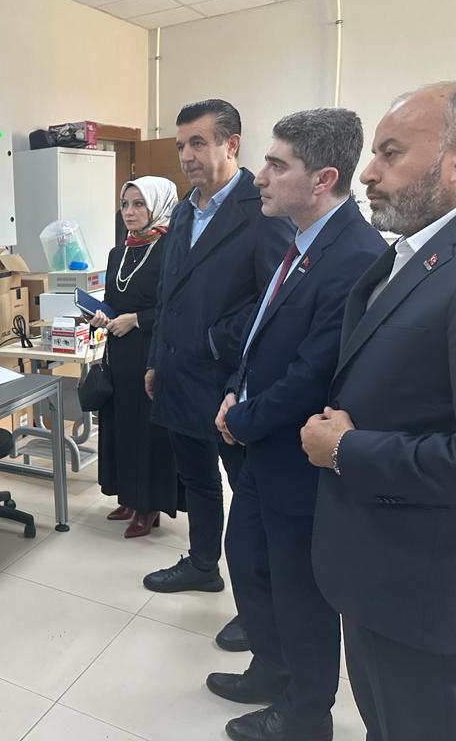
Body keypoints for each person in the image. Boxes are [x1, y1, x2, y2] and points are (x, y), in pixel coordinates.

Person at [209, 109, 386, 741]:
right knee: (249, 562)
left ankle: (306, 714)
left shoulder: (356, 256)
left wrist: (243, 419)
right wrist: (235, 389)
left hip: (299, 457)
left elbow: (313, 373)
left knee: (299, 591)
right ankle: (270, 668)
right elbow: (262, 336)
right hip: (264, 446)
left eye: (276, 165)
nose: (259, 176)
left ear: (322, 178)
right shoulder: (301, 242)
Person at [301, 82, 456, 741]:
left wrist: (346, 450)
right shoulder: (411, 254)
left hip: (425, 600)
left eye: (391, 153)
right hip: (382, 579)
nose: (367, 172)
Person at [142, 99, 293, 654]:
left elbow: (273, 301)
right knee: (197, 480)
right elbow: (167, 293)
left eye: (198, 143)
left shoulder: (264, 209)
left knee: (249, 498)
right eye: (181, 145)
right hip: (178, 374)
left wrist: (212, 341)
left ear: (232, 145)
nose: (186, 155)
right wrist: (156, 357)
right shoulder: (185, 211)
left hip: (231, 381)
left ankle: (258, 610)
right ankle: (203, 563)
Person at [90, 177, 179, 538]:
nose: (129, 212)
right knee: (121, 426)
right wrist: (100, 315)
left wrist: (137, 320)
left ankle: (148, 505)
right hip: (119, 352)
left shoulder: (171, 248)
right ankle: (127, 496)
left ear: (157, 206)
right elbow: (114, 300)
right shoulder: (119, 252)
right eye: (125, 204)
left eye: (139, 204)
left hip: (151, 353)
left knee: (147, 430)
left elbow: (176, 308)